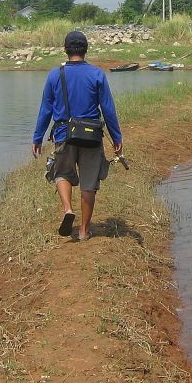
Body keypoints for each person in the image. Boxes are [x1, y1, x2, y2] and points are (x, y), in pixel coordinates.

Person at [32, 31, 122, 241]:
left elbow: (46, 109)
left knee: (61, 173)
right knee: (89, 184)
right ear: (85, 50)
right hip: (91, 137)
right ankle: (83, 231)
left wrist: (38, 137)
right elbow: (108, 109)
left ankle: (67, 209)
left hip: (64, 134)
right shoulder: (97, 74)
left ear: (66, 49)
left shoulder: (56, 75)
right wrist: (117, 137)